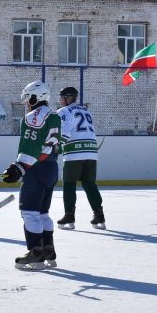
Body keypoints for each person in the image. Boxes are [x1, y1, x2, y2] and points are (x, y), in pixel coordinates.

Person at [2, 81, 61, 270]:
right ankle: (48, 250)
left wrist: (18, 167)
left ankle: (35, 254)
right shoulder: (55, 115)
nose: (27, 102)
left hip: (36, 169)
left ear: (36, 97)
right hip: (51, 168)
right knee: (43, 213)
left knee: (29, 213)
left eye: (28, 98)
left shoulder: (33, 117)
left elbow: (31, 147)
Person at [56, 86, 105, 230]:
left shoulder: (63, 111)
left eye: (61, 98)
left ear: (67, 98)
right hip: (91, 151)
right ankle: (99, 216)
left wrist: (56, 148)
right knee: (90, 184)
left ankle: (69, 216)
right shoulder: (85, 110)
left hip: (74, 153)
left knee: (69, 184)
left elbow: (64, 131)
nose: (60, 101)